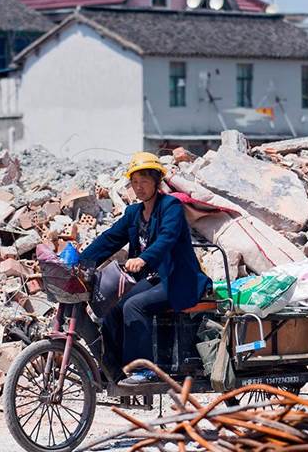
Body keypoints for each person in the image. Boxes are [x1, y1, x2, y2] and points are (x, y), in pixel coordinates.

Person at [79, 152, 211, 385]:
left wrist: (144, 259)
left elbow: (167, 238)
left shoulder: (171, 206)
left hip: (179, 279)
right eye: (135, 182)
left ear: (156, 182)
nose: (138, 188)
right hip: (153, 279)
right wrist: (80, 260)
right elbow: (109, 239)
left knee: (134, 305)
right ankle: (113, 368)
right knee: (111, 307)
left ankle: (144, 370)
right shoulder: (133, 213)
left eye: (144, 182)